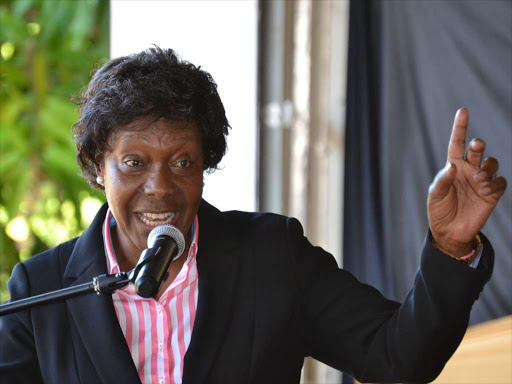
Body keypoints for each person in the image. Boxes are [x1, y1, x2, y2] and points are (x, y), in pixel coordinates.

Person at [0, 47, 507, 384]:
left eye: (183, 163)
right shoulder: (40, 291)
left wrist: (449, 248)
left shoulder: (273, 257)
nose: (160, 188)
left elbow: (398, 360)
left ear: (205, 167)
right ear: (97, 167)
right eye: (133, 163)